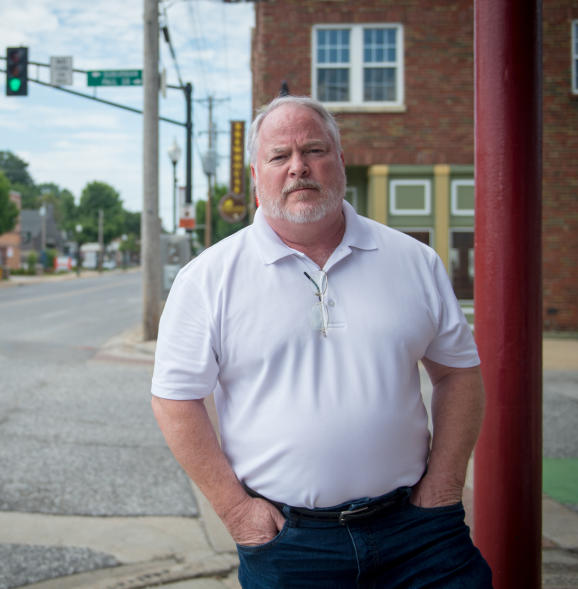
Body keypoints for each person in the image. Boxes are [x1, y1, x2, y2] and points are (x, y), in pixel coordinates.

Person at [151, 95, 492, 588]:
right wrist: (236, 511)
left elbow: (458, 372)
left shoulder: (414, 261)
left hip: (421, 535)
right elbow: (175, 398)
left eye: (314, 150)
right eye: (279, 156)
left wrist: (444, 484)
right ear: (256, 175)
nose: (298, 168)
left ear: (340, 160)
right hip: (291, 547)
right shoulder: (208, 278)